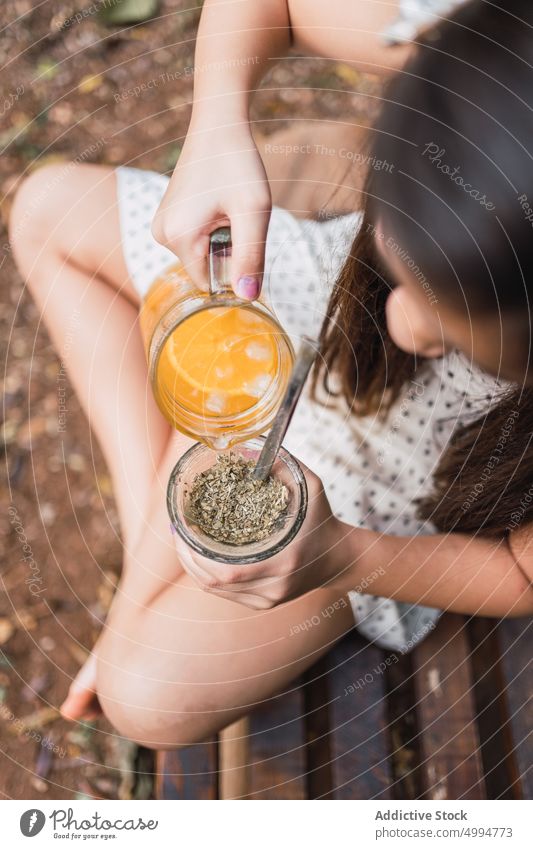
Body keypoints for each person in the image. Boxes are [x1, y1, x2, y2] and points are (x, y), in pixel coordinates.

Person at [9, 0, 533, 748]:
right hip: (321, 288)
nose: (404, 324)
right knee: (47, 209)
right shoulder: (496, 66)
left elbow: (520, 573)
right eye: (408, 276)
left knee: (143, 700)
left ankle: (172, 518)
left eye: (461, 339)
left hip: (400, 480)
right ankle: (154, 527)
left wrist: (342, 554)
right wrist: (217, 124)